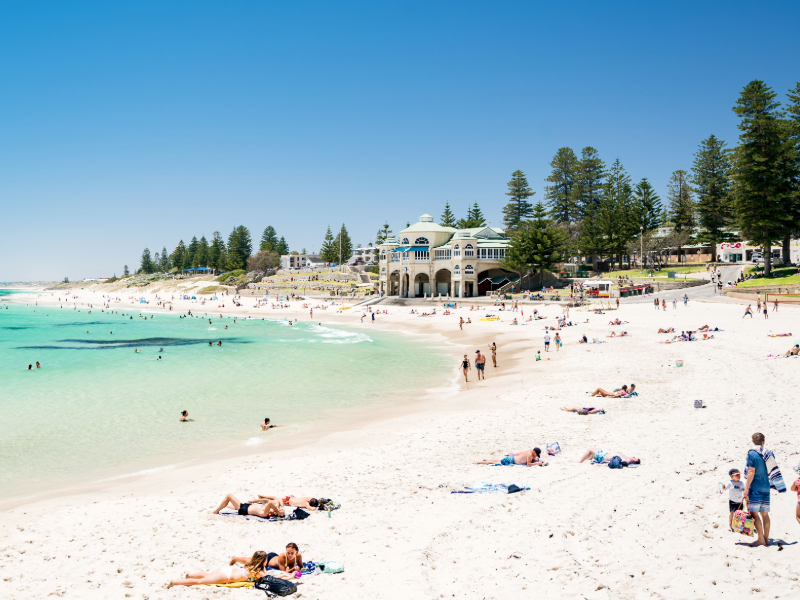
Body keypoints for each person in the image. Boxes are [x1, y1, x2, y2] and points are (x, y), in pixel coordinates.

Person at [167, 551, 270, 587]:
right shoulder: (258, 572)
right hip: (227, 576)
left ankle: (189, 576)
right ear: (263, 561)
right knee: (200, 582)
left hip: (229, 571)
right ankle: (175, 583)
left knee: (209, 575)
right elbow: (268, 578)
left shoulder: (251, 565)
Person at [211, 493, 286, 518]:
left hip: (243, 509)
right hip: (247, 506)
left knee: (229, 496)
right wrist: (281, 508)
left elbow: (270, 504)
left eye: (275, 511)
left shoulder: (265, 513)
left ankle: (216, 511)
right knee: (230, 506)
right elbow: (279, 500)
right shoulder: (270, 510)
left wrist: (278, 511)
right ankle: (225, 506)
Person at [476, 448, 546, 466]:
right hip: (511, 460)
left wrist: (537, 460)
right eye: (536, 454)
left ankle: (486, 460)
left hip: (512, 457)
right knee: (498, 462)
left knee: (499, 460)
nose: (536, 456)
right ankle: (482, 462)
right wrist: (537, 463)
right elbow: (528, 464)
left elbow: (534, 459)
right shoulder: (529, 454)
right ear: (534, 452)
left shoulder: (530, 452)